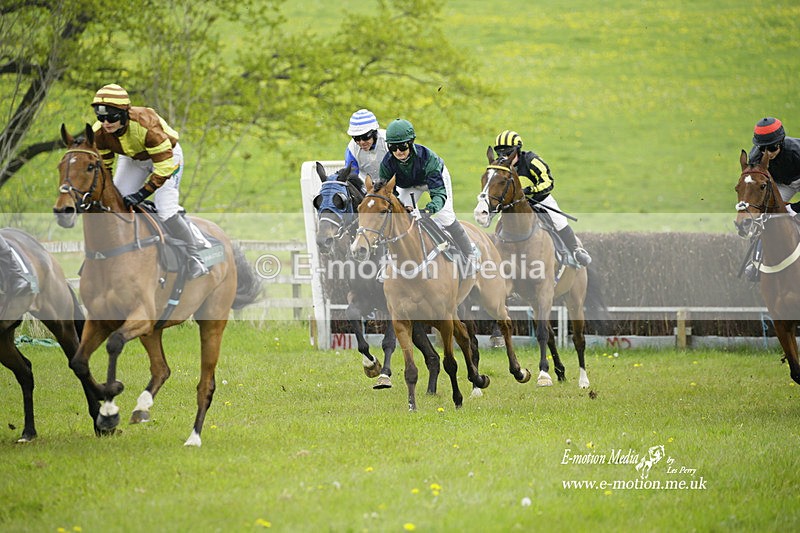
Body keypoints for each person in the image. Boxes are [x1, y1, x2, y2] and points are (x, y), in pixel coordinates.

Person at [90, 84, 208, 278]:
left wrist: (142, 193)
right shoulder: (99, 133)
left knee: (166, 209)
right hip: (133, 158)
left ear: (124, 113)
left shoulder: (146, 125)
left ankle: (195, 256)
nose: (105, 123)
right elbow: (106, 166)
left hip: (167, 157)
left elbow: (163, 168)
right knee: (117, 204)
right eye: (100, 117)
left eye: (111, 117)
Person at [378, 118, 479, 275]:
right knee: (398, 219)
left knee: (445, 216)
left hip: (431, 181)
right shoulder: (387, 163)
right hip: (409, 185)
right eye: (393, 147)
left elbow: (438, 193)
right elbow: (387, 193)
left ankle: (470, 253)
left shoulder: (428, 159)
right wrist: (400, 206)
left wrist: (428, 210)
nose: (398, 151)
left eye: (403, 146)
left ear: (411, 143)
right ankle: (389, 263)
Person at [492, 130, 591, 267]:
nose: (504, 157)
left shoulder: (531, 160)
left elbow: (548, 181)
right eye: (500, 154)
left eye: (508, 153)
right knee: (501, 224)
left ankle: (575, 250)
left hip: (540, 199)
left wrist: (531, 191)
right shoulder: (500, 167)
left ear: (518, 150)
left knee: (559, 221)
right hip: (517, 204)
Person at [744, 117, 800, 281]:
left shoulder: (797, 152)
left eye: (772, 148)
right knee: (763, 215)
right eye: (762, 148)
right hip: (782, 184)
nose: (767, 153)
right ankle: (756, 261)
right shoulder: (755, 159)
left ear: (781, 142)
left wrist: (794, 208)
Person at [344, 109, 388, 183]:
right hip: (366, 187)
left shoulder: (387, 140)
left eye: (365, 137)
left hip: (393, 185)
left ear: (374, 133)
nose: (361, 142)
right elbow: (351, 176)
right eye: (356, 138)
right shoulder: (352, 148)